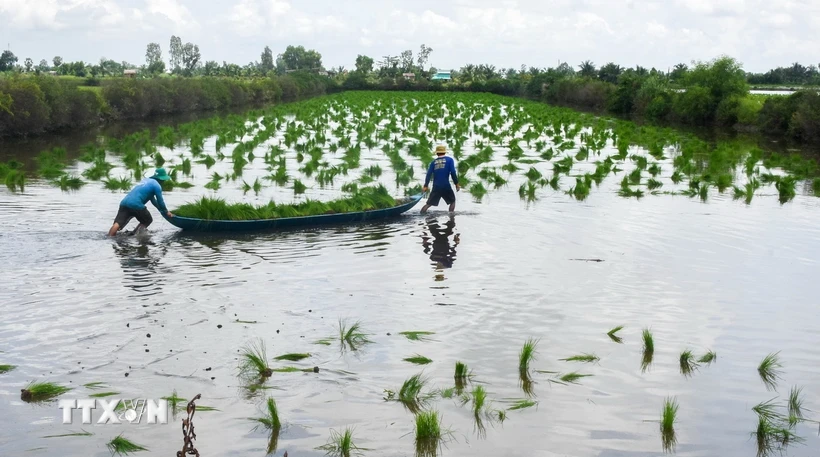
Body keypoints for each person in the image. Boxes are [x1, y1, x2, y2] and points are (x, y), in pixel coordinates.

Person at [107, 168, 174, 236]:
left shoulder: (145, 181)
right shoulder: (157, 186)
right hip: (136, 204)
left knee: (118, 224)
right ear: (162, 179)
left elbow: (153, 201)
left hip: (124, 203)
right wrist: (166, 212)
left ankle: (109, 238)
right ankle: (134, 234)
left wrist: (161, 210)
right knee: (148, 220)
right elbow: (160, 201)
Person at [421, 145, 460, 213]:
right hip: (446, 186)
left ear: (437, 153)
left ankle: (421, 215)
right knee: (452, 201)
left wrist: (425, 186)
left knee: (428, 204)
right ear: (444, 152)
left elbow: (428, 174)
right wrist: (456, 184)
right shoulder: (450, 160)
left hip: (436, 187)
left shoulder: (433, 163)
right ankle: (451, 218)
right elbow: (453, 172)